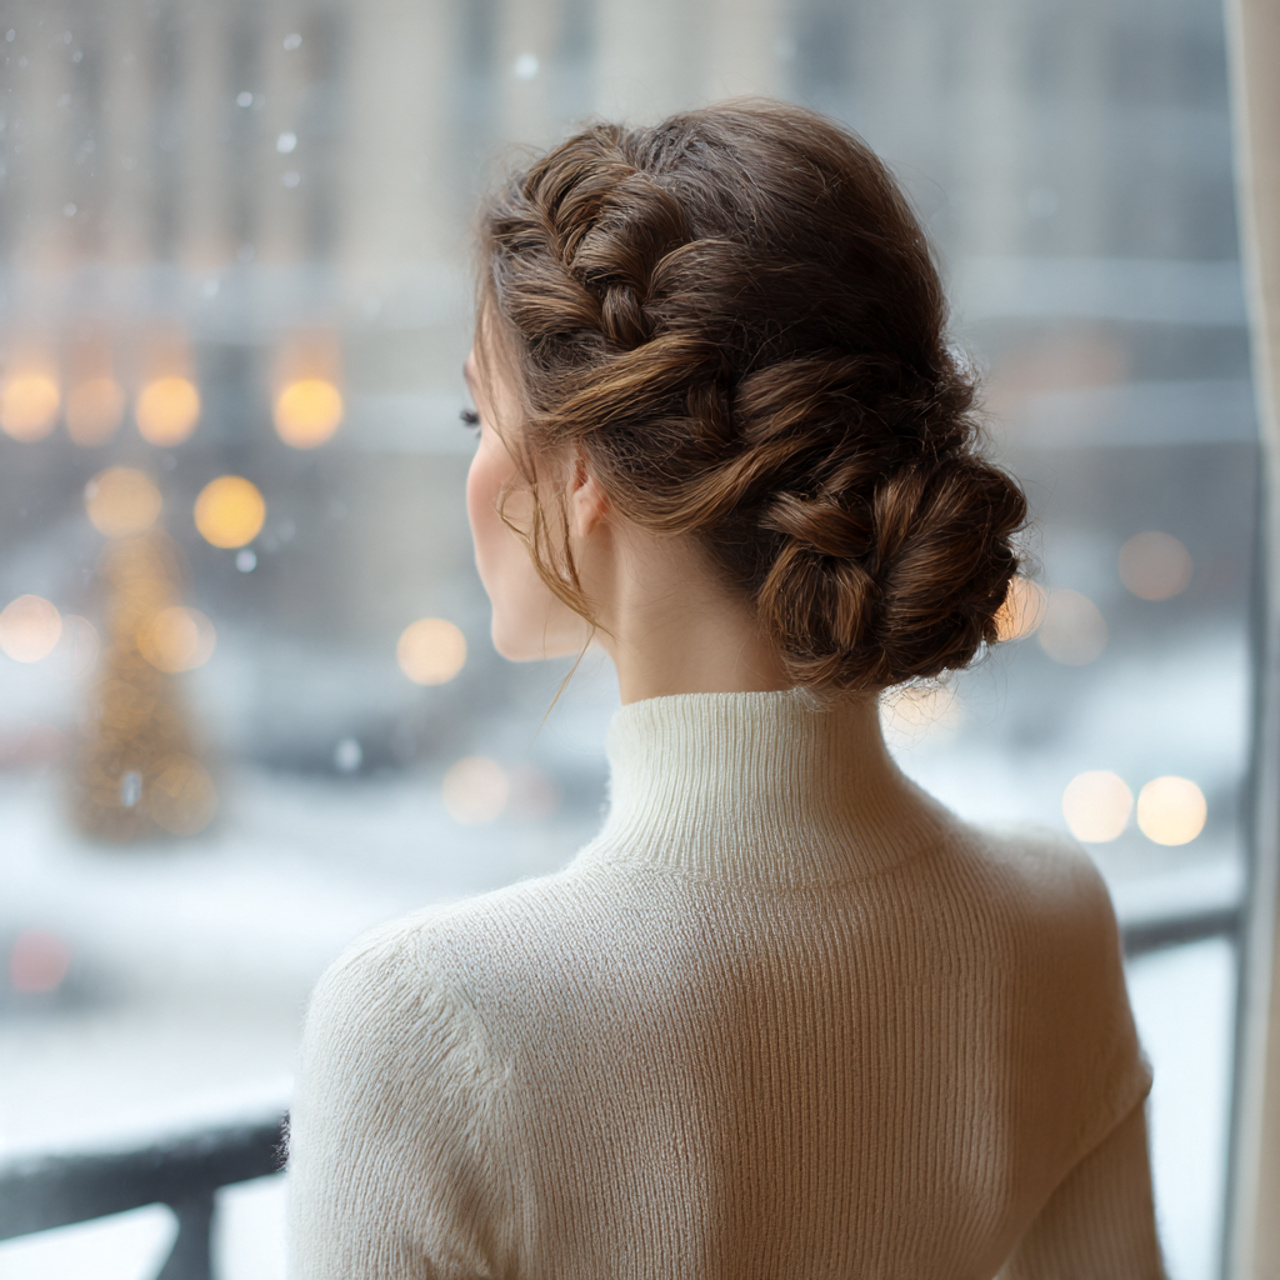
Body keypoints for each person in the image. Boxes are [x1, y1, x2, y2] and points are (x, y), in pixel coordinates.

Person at [286, 100, 1165, 1279]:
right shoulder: (1053, 920)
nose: (472, 463)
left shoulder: (428, 1023)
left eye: (473, 411)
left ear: (583, 464)